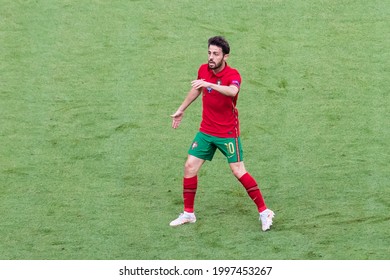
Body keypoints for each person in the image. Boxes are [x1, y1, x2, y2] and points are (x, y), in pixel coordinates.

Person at [169, 36, 274, 231]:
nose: (211, 57)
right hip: (206, 130)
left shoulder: (233, 74)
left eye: (216, 54)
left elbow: (232, 91)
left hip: (227, 133)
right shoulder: (203, 69)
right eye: (209, 53)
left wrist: (210, 84)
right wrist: (181, 108)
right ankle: (188, 214)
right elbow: (197, 90)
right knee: (189, 166)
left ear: (225, 56)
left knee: (238, 170)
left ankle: (264, 211)